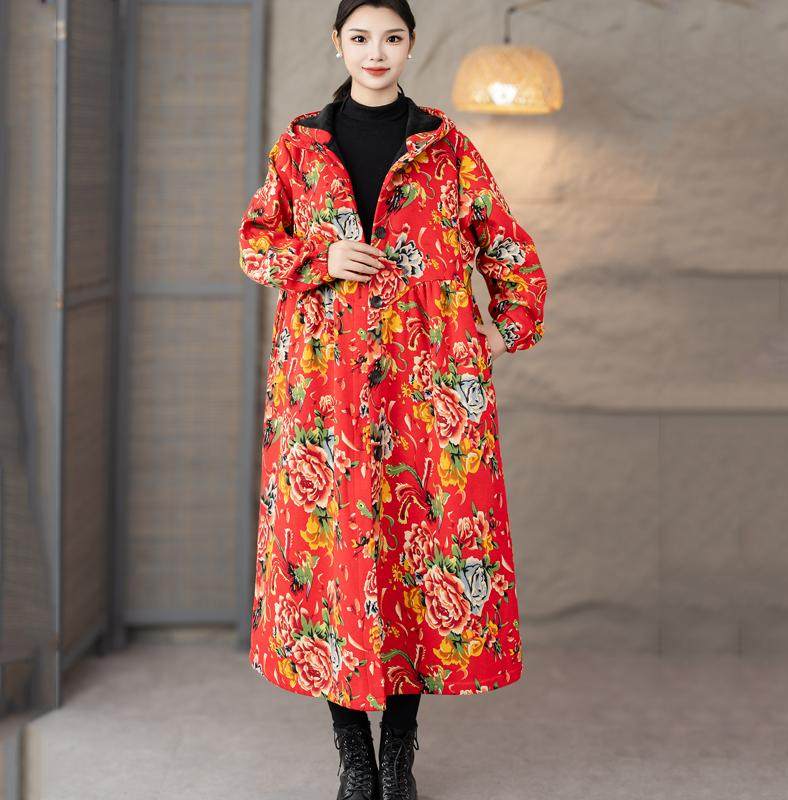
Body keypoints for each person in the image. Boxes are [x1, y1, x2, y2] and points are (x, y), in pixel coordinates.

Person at [238, 2, 548, 798]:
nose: (376, 52)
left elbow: (503, 240)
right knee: (335, 562)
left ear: (410, 46)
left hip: (427, 388)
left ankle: (399, 754)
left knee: (420, 560)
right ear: (337, 45)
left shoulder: (447, 148)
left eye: (392, 38)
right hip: (324, 391)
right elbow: (256, 243)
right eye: (360, 38)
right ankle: (353, 757)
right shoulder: (299, 148)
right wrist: (321, 258)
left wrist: (510, 322)